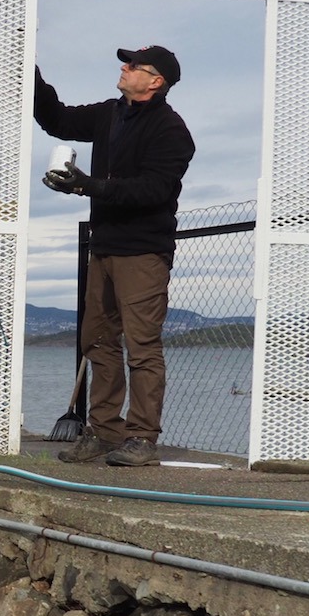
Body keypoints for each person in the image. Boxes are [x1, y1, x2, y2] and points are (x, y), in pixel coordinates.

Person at [34, 46, 195, 467]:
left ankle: (142, 438)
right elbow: (57, 120)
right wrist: (31, 75)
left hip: (143, 251)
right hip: (104, 247)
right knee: (97, 341)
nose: (124, 68)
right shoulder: (110, 113)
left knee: (142, 347)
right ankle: (104, 431)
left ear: (155, 81)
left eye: (134, 65)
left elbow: (153, 190)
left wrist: (88, 186)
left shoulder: (171, 130)